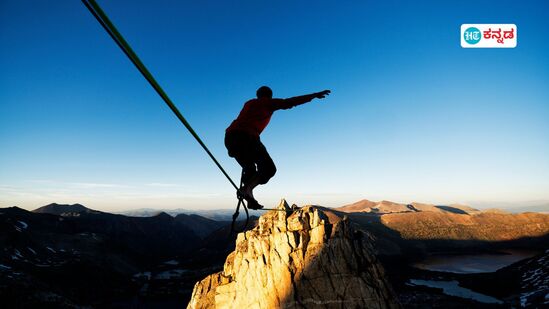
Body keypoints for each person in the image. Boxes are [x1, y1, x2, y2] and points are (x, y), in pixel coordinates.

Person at [225, 86, 331, 209]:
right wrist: (313, 95)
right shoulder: (267, 102)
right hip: (247, 137)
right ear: (269, 96)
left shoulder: (249, 103)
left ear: (257, 94)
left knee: (250, 169)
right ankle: (247, 190)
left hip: (230, 138)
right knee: (269, 169)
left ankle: (249, 196)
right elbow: (289, 102)